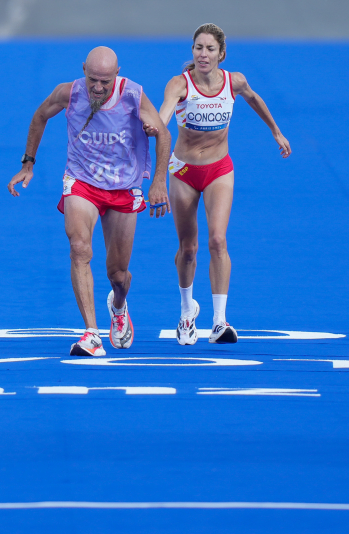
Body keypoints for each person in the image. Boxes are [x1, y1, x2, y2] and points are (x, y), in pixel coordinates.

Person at [8, 46, 171, 356]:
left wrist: (159, 182)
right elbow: (40, 115)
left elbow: (163, 134)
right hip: (82, 181)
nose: (97, 88)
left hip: (123, 186)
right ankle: (91, 334)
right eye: (92, 79)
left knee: (118, 274)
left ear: (117, 75)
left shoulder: (133, 95)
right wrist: (28, 162)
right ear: (83, 70)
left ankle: (119, 305)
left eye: (105, 82)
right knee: (79, 248)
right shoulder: (68, 93)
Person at [153, 23, 291, 345]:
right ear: (192, 52)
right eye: (198, 48)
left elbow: (254, 99)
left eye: (210, 49)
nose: (203, 54)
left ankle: (219, 321)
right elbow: (162, 119)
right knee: (189, 248)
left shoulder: (234, 81)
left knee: (218, 241)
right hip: (184, 171)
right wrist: (155, 128)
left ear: (221, 54)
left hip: (219, 169)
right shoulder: (179, 84)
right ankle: (187, 312)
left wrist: (276, 131)